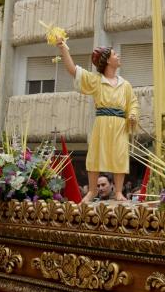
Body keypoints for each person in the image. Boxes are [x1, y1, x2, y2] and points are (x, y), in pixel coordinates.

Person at [55, 39, 138, 202]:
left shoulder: (125, 85)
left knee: (120, 155)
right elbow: (73, 70)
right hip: (102, 123)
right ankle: (92, 191)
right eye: (114, 54)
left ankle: (119, 191)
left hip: (120, 124)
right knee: (95, 155)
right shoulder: (96, 80)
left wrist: (133, 114)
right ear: (107, 60)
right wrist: (64, 49)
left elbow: (133, 102)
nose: (118, 56)